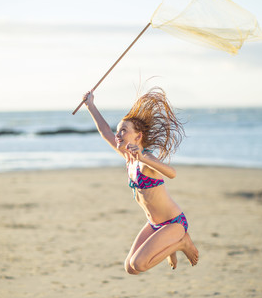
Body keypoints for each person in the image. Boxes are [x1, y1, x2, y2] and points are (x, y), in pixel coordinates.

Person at [82, 87, 199, 275]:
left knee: (140, 265)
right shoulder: (128, 157)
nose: (118, 134)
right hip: (154, 224)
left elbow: (172, 173)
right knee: (130, 268)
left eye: (123, 131)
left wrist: (144, 159)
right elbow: (105, 132)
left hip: (173, 223)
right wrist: (90, 105)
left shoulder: (145, 160)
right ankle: (172, 246)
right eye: (119, 130)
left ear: (138, 136)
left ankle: (182, 243)